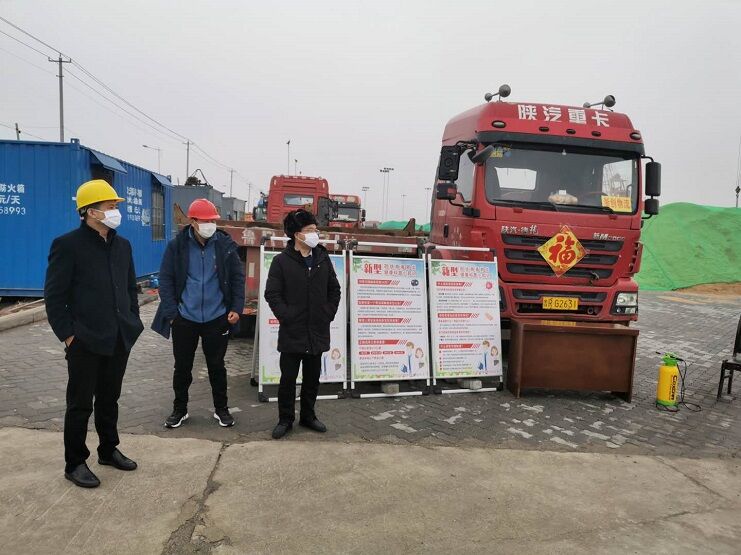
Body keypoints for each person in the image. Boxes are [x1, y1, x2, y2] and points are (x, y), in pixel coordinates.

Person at [44, 179, 144, 488]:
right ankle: (75, 462)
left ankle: (108, 449)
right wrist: (69, 336)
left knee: (109, 398)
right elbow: (54, 296)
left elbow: (130, 288)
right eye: (110, 206)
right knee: (80, 404)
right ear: (91, 211)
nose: (115, 212)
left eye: (115, 206)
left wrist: (132, 319)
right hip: (84, 340)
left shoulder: (122, 246)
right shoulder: (67, 245)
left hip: (119, 337)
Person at [152, 199, 245, 429]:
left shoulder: (225, 245)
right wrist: (172, 314)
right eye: (205, 221)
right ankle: (179, 409)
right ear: (193, 222)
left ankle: (221, 409)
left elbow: (237, 278)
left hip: (217, 317)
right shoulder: (177, 246)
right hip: (184, 318)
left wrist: (236, 308)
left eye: (212, 220)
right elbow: (166, 280)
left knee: (217, 366)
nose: (210, 225)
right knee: (182, 367)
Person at [264, 209, 341, 439]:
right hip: (292, 331)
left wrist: (327, 313)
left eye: (315, 230)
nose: (315, 234)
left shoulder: (322, 258)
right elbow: (272, 294)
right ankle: (285, 419)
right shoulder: (281, 261)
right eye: (310, 230)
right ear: (297, 234)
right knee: (288, 379)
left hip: (317, 330)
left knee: (312, 379)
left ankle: (308, 416)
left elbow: (334, 290)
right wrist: (287, 315)